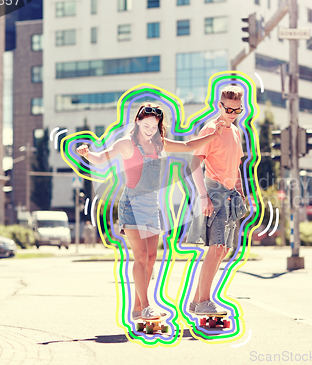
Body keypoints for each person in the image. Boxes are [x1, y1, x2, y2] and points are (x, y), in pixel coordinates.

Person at [76, 102, 224, 321]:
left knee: (152, 257)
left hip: (151, 205)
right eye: (146, 125)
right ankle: (146, 305)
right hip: (132, 205)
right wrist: (87, 154)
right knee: (141, 256)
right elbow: (101, 158)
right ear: (138, 122)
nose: (150, 130)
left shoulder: (159, 144)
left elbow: (187, 146)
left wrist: (214, 135)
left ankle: (137, 309)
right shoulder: (126, 143)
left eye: (154, 126)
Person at [185, 85, 247, 316]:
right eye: (228, 109)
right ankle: (204, 301)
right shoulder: (210, 129)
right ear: (219, 105)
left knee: (222, 250)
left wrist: (241, 192)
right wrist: (203, 197)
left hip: (231, 196)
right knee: (216, 247)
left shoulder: (235, 132)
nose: (232, 113)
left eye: (236, 110)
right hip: (214, 193)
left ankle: (196, 301)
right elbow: (194, 164)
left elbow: (236, 166)